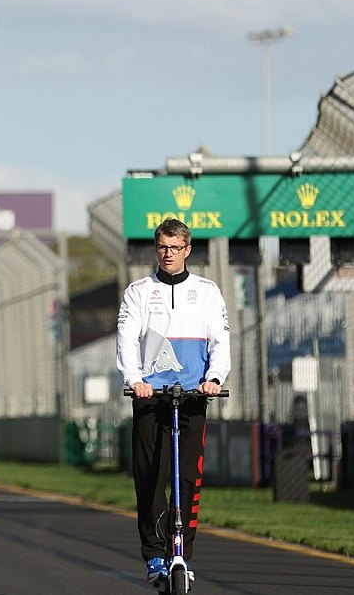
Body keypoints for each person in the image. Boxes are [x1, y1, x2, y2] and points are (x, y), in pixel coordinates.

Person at [116, 218, 230, 585]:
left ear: (188, 250)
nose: (168, 254)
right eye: (163, 247)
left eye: (175, 247)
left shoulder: (208, 291)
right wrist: (134, 380)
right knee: (151, 476)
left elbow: (220, 342)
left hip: (193, 396)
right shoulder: (138, 291)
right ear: (156, 248)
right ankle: (154, 554)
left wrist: (214, 379)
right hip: (151, 397)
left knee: (189, 478)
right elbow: (126, 338)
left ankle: (182, 549)